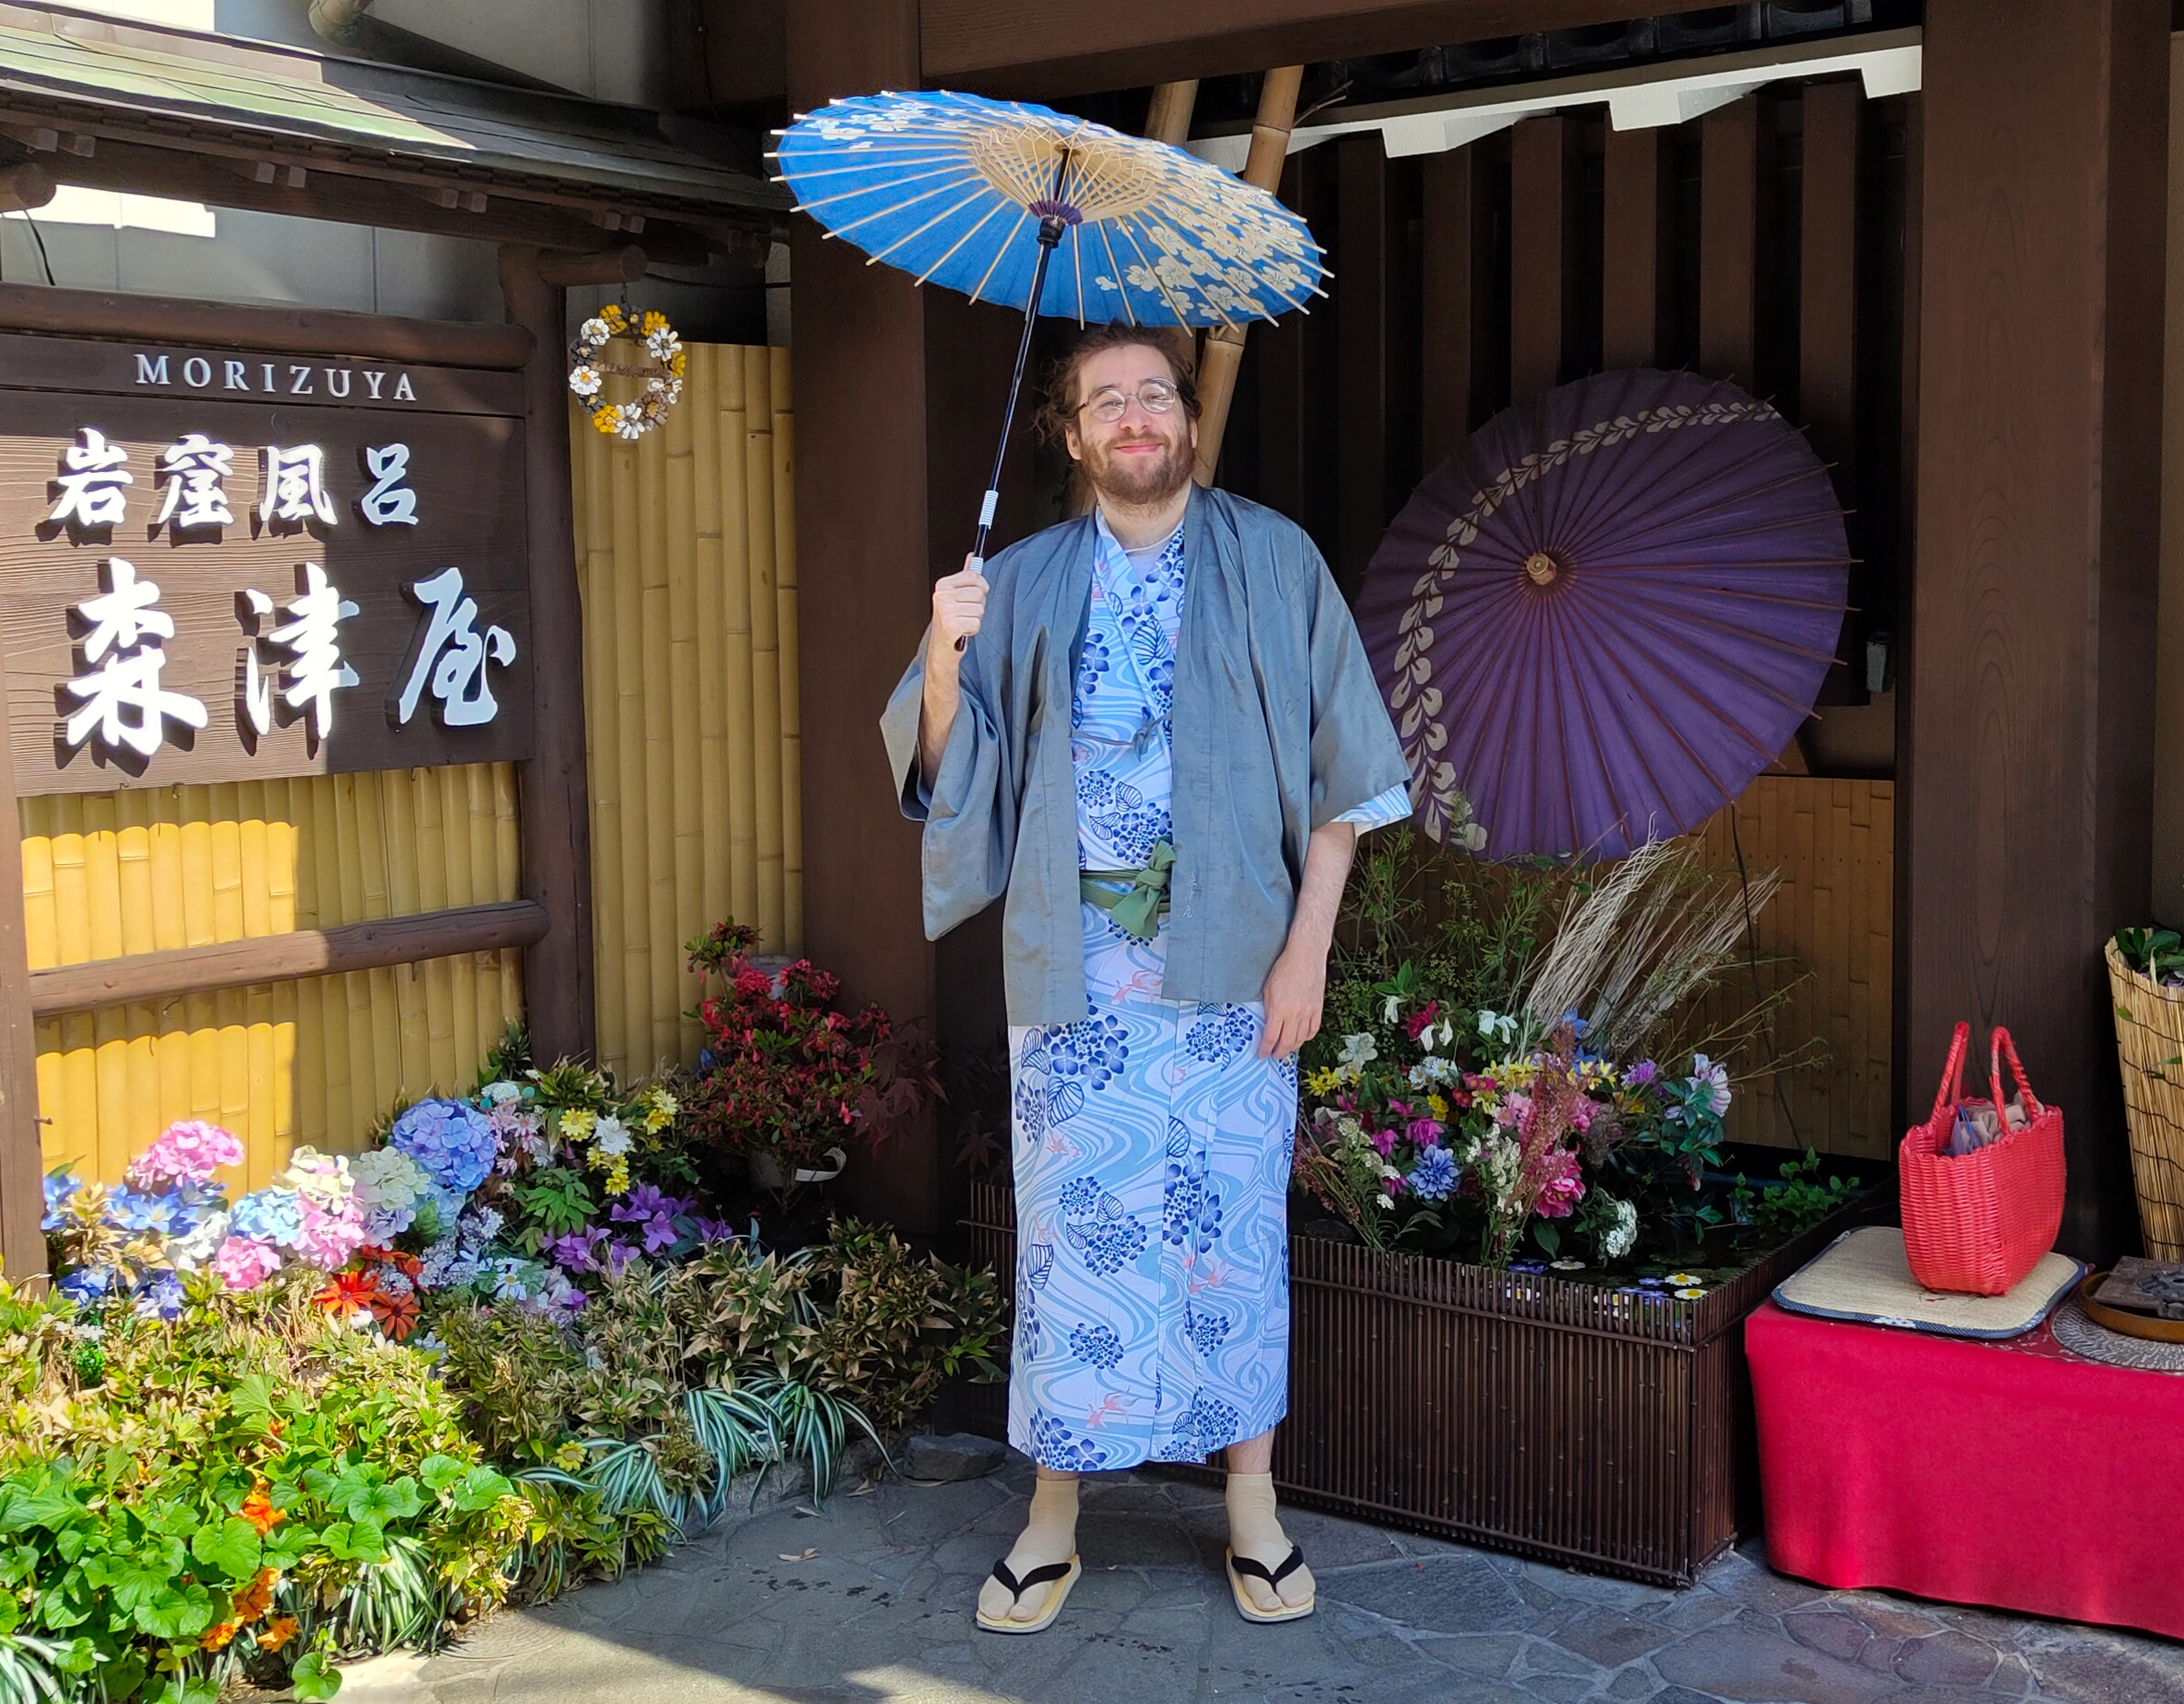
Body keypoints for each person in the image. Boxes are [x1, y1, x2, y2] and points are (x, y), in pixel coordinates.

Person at [880, 325, 1411, 1633]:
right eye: (1103, 402)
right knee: (1076, 1248)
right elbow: (953, 778)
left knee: (1231, 1241)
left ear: (1185, 422)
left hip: (1238, 970)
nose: (1132, 419)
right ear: (1070, 435)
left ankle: (1249, 1502)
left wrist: (1308, 952)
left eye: (1152, 397)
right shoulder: (1019, 580)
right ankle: (1052, 1509)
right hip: (1079, 978)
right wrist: (945, 656)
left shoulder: (1274, 559)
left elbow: (1343, 775)